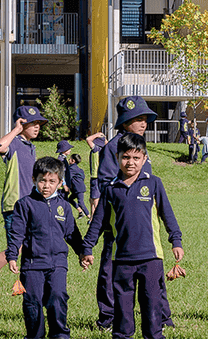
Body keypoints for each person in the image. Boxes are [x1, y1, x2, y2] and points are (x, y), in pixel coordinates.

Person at [81, 132, 183, 339]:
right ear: (117, 158)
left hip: (151, 259)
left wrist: (176, 240)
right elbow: (98, 222)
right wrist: (87, 247)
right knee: (123, 312)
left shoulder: (154, 183)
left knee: (152, 308)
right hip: (122, 261)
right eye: (126, 157)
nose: (130, 162)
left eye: (136, 158)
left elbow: (167, 215)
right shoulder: (110, 190)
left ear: (144, 159)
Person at [84, 97, 162, 331]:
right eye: (137, 118)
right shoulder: (113, 147)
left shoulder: (140, 147)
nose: (143, 123)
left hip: (143, 228)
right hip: (118, 223)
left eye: (145, 118)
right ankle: (108, 317)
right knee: (111, 268)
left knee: (152, 272)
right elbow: (107, 183)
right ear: (125, 122)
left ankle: (161, 317)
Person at [6, 155, 90, 337]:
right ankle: (35, 335)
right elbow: (17, 233)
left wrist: (82, 253)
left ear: (60, 182)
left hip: (58, 263)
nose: (46, 185)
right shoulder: (25, 205)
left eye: (52, 181)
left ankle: (60, 334)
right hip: (32, 265)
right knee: (32, 302)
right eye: (42, 180)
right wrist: (12, 255)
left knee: (58, 298)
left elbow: (72, 234)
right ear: (34, 180)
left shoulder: (65, 207)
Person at [0, 105, 48, 295]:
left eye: (39, 124)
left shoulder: (30, 146)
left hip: (29, 204)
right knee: (14, 249)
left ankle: (26, 285)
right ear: (21, 123)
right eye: (32, 123)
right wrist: (16, 129)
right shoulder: (15, 143)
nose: (37, 127)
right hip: (15, 205)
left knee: (30, 245)